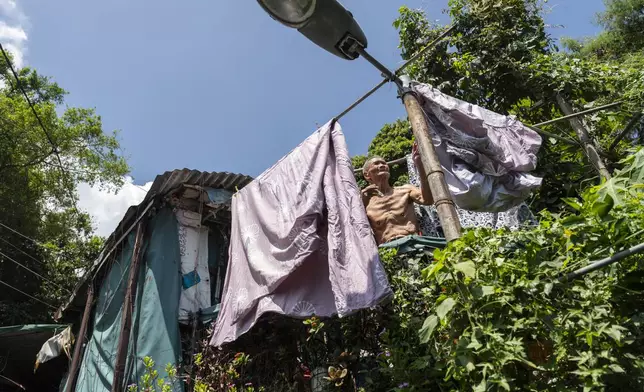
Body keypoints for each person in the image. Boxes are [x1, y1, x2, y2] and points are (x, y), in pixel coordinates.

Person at [361, 142, 434, 245]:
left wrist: (419, 164)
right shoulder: (364, 203)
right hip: (387, 252)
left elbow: (428, 200)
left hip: (413, 243)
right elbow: (352, 225)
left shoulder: (405, 190)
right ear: (367, 175)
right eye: (376, 163)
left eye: (384, 163)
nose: (382, 165)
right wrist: (361, 197)